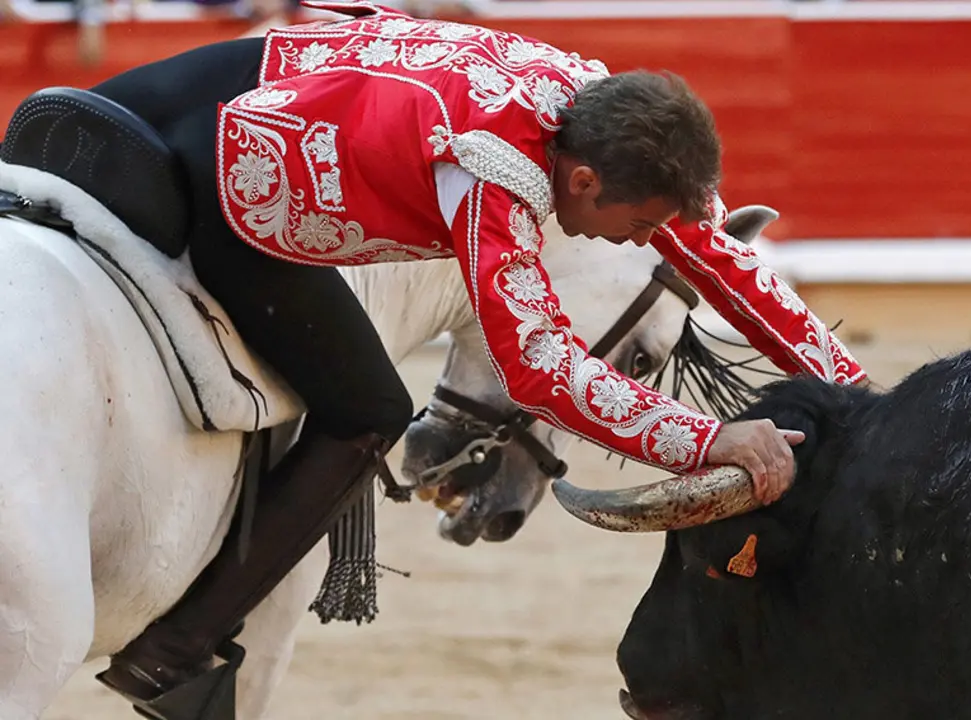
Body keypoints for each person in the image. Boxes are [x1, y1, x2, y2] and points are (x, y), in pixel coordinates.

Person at [85, 0, 868, 709]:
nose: (640, 244)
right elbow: (539, 366)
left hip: (225, 91)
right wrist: (708, 439)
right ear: (583, 182)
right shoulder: (497, 171)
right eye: (636, 229)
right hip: (215, 167)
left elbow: (723, 260)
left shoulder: (602, 115)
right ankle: (174, 655)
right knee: (370, 409)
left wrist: (869, 407)